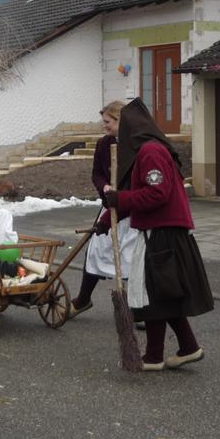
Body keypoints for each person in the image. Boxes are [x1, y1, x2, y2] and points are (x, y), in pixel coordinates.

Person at [103, 98, 213, 371]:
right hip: (160, 231)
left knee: (153, 293)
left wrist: (119, 198)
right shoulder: (150, 150)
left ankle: (155, 356)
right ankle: (186, 347)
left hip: (163, 233)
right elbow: (142, 195)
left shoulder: (151, 152)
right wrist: (107, 220)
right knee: (162, 294)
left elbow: (156, 194)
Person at [69, 101, 141, 319]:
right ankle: (83, 299)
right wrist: (105, 187)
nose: (105, 125)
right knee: (95, 251)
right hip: (109, 207)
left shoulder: (136, 145)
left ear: (120, 121)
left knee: (132, 259)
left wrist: (120, 197)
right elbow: (97, 173)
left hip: (132, 213)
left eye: (108, 122)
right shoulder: (103, 144)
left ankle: (138, 310)